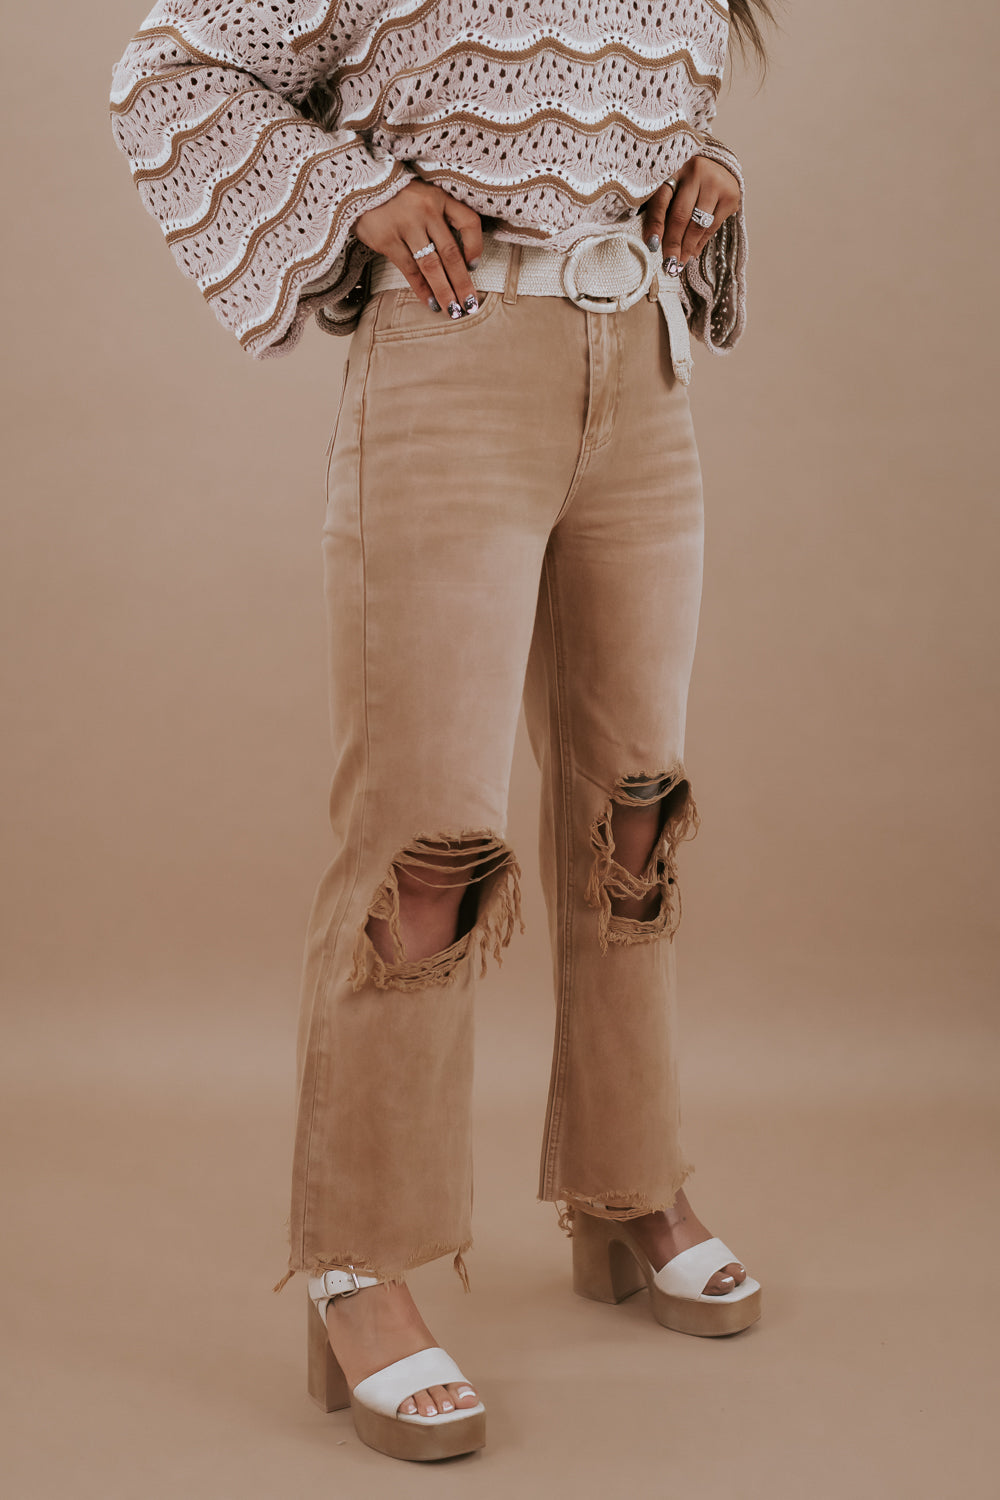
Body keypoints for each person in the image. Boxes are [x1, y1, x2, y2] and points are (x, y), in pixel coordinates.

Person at [110, 0, 775, 1464]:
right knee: (428, 852)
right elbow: (171, 70)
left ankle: (626, 1179)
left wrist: (705, 165)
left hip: (643, 371)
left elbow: (614, 98)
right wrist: (357, 193)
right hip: (455, 363)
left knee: (634, 816)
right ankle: (359, 1260)